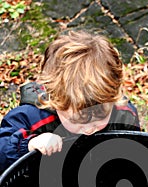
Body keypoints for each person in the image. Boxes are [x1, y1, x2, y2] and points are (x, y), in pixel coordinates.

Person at [0, 30, 140, 173]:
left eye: (101, 117)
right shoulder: (30, 117)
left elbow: (135, 153)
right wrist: (29, 144)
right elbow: (2, 151)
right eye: (77, 120)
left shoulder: (124, 115)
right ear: (55, 100)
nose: (89, 129)